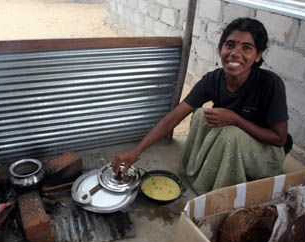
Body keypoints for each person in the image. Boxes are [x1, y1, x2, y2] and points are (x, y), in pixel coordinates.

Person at [111, 17, 290, 195]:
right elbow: (173, 118)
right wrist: (136, 151)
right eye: (230, 45)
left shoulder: (270, 84)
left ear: (258, 55)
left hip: (266, 153)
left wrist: (235, 119)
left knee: (231, 133)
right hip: (231, 142)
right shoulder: (213, 80)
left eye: (247, 48)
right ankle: (197, 171)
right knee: (200, 115)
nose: (235, 53)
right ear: (220, 49)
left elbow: (279, 139)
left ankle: (222, 193)